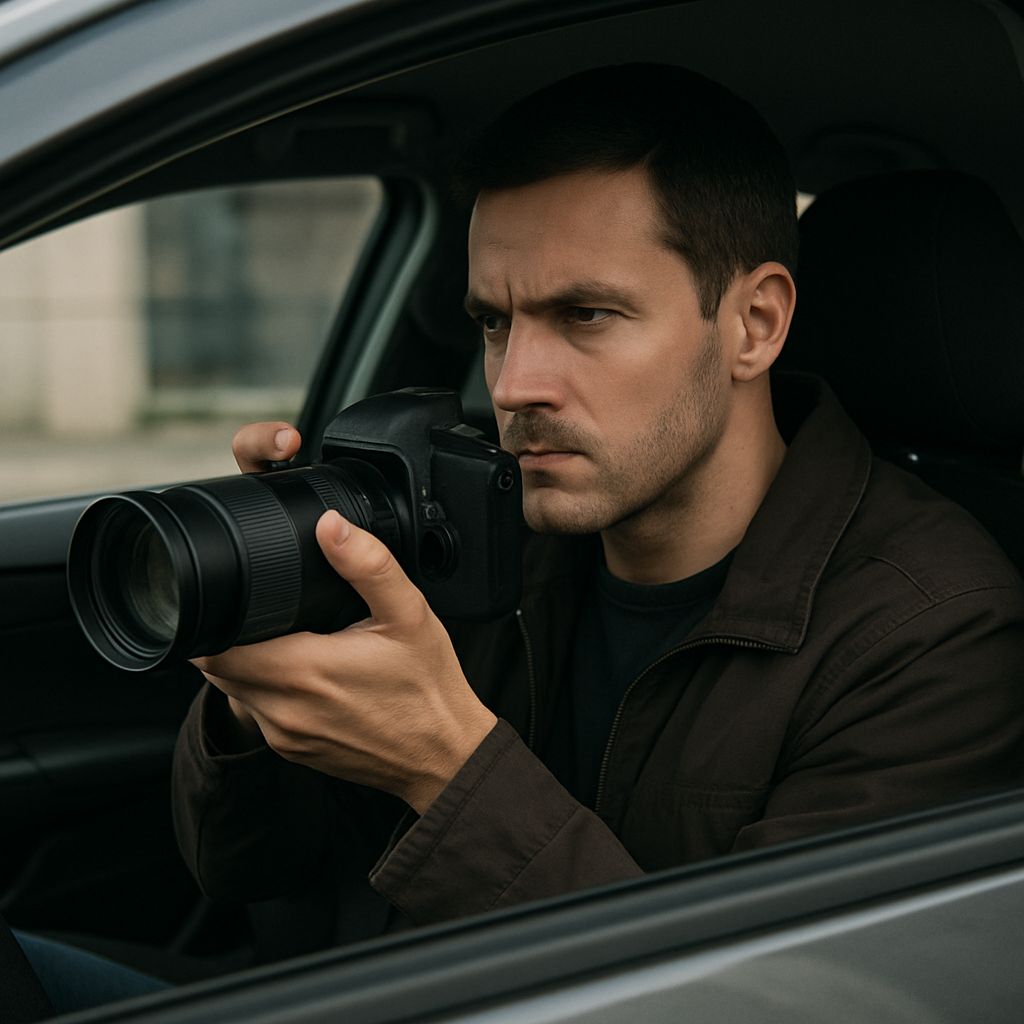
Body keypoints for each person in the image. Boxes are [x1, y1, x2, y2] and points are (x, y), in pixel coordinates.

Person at [172, 64, 1024, 932]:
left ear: (754, 324)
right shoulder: (490, 533)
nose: (512, 386)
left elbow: (771, 999)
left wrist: (448, 767)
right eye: (494, 323)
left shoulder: (934, 632)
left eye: (586, 314)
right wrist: (268, 642)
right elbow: (245, 868)